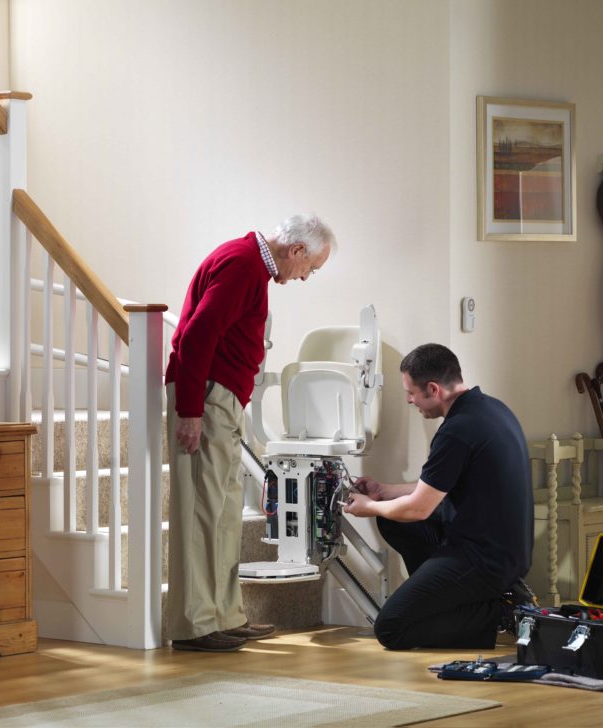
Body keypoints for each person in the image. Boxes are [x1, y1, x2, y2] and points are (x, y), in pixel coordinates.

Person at [165, 214, 335, 653]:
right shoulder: (242, 264)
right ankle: (196, 624)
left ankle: (224, 616)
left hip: (222, 399)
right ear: (296, 251)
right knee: (202, 511)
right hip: (206, 397)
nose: (304, 277)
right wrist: (189, 409)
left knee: (221, 512)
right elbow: (197, 334)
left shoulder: (251, 267)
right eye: (310, 268)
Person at [343, 343, 533, 650]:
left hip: (483, 560)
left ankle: (499, 612)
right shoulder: (491, 409)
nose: (409, 400)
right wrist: (383, 492)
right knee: (393, 522)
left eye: (411, 393)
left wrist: (369, 507)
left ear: (433, 389)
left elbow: (419, 508)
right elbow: (434, 488)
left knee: (391, 628)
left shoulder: (457, 430)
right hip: (499, 550)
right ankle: (449, 600)